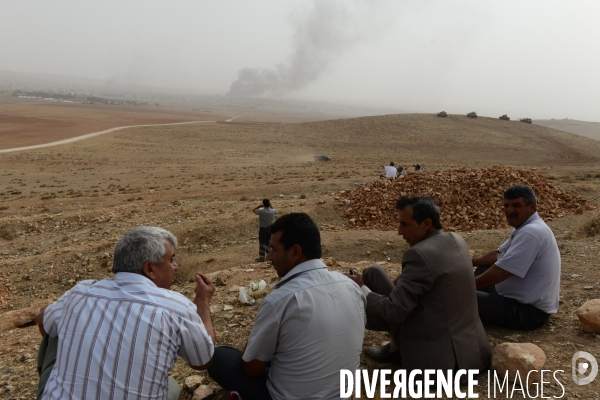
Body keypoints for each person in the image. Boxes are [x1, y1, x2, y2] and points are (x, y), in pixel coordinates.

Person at [36, 226, 216, 400]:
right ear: (150, 269)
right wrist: (202, 302)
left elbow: (43, 319)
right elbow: (202, 360)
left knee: (55, 322)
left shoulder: (80, 292)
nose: (176, 267)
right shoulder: (175, 306)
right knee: (171, 386)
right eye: (171, 259)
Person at [208, 213, 366, 400]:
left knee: (218, 357)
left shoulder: (280, 300)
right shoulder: (352, 287)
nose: (269, 257)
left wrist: (251, 349)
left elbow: (251, 369)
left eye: (274, 249)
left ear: (295, 252)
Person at [345, 196, 491, 374]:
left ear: (426, 224)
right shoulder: (455, 239)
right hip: (473, 353)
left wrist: (360, 289)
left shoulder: (419, 254)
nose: (399, 232)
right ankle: (395, 346)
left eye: (405, 225)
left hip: (441, 363)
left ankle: (394, 348)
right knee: (373, 273)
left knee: (367, 298)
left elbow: (392, 310)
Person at [473, 184, 560, 330]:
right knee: (483, 268)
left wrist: (464, 286)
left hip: (527, 313)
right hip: (514, 298)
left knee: (458, 296)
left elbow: (501, 272)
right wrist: (470, 261)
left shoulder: (531, 232)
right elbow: (499, 254)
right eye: (506, 205)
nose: (509, 210)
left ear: (531, 207)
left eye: (516, 205)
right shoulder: (526, 227)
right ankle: (475, 304)